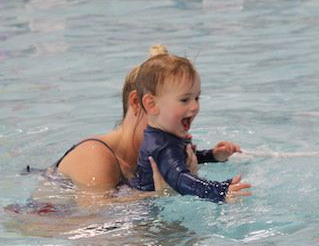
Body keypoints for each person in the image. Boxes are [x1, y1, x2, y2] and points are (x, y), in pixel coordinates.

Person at [55, 45, 251, 199]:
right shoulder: (95, 155)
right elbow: (92, 221)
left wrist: (212, 157)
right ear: (139, 103)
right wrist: (160, 196)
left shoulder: (149, 154)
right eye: (183, 100)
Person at [129, 52, 244, 202]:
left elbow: (181, 160)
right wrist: (219, 191)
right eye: (184, 100)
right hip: (147, 213)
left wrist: (212, 155)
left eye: (196, 98)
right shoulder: (163, 146)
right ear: (152, 105)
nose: (195, 106)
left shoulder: (164, 137)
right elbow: (181, 179)